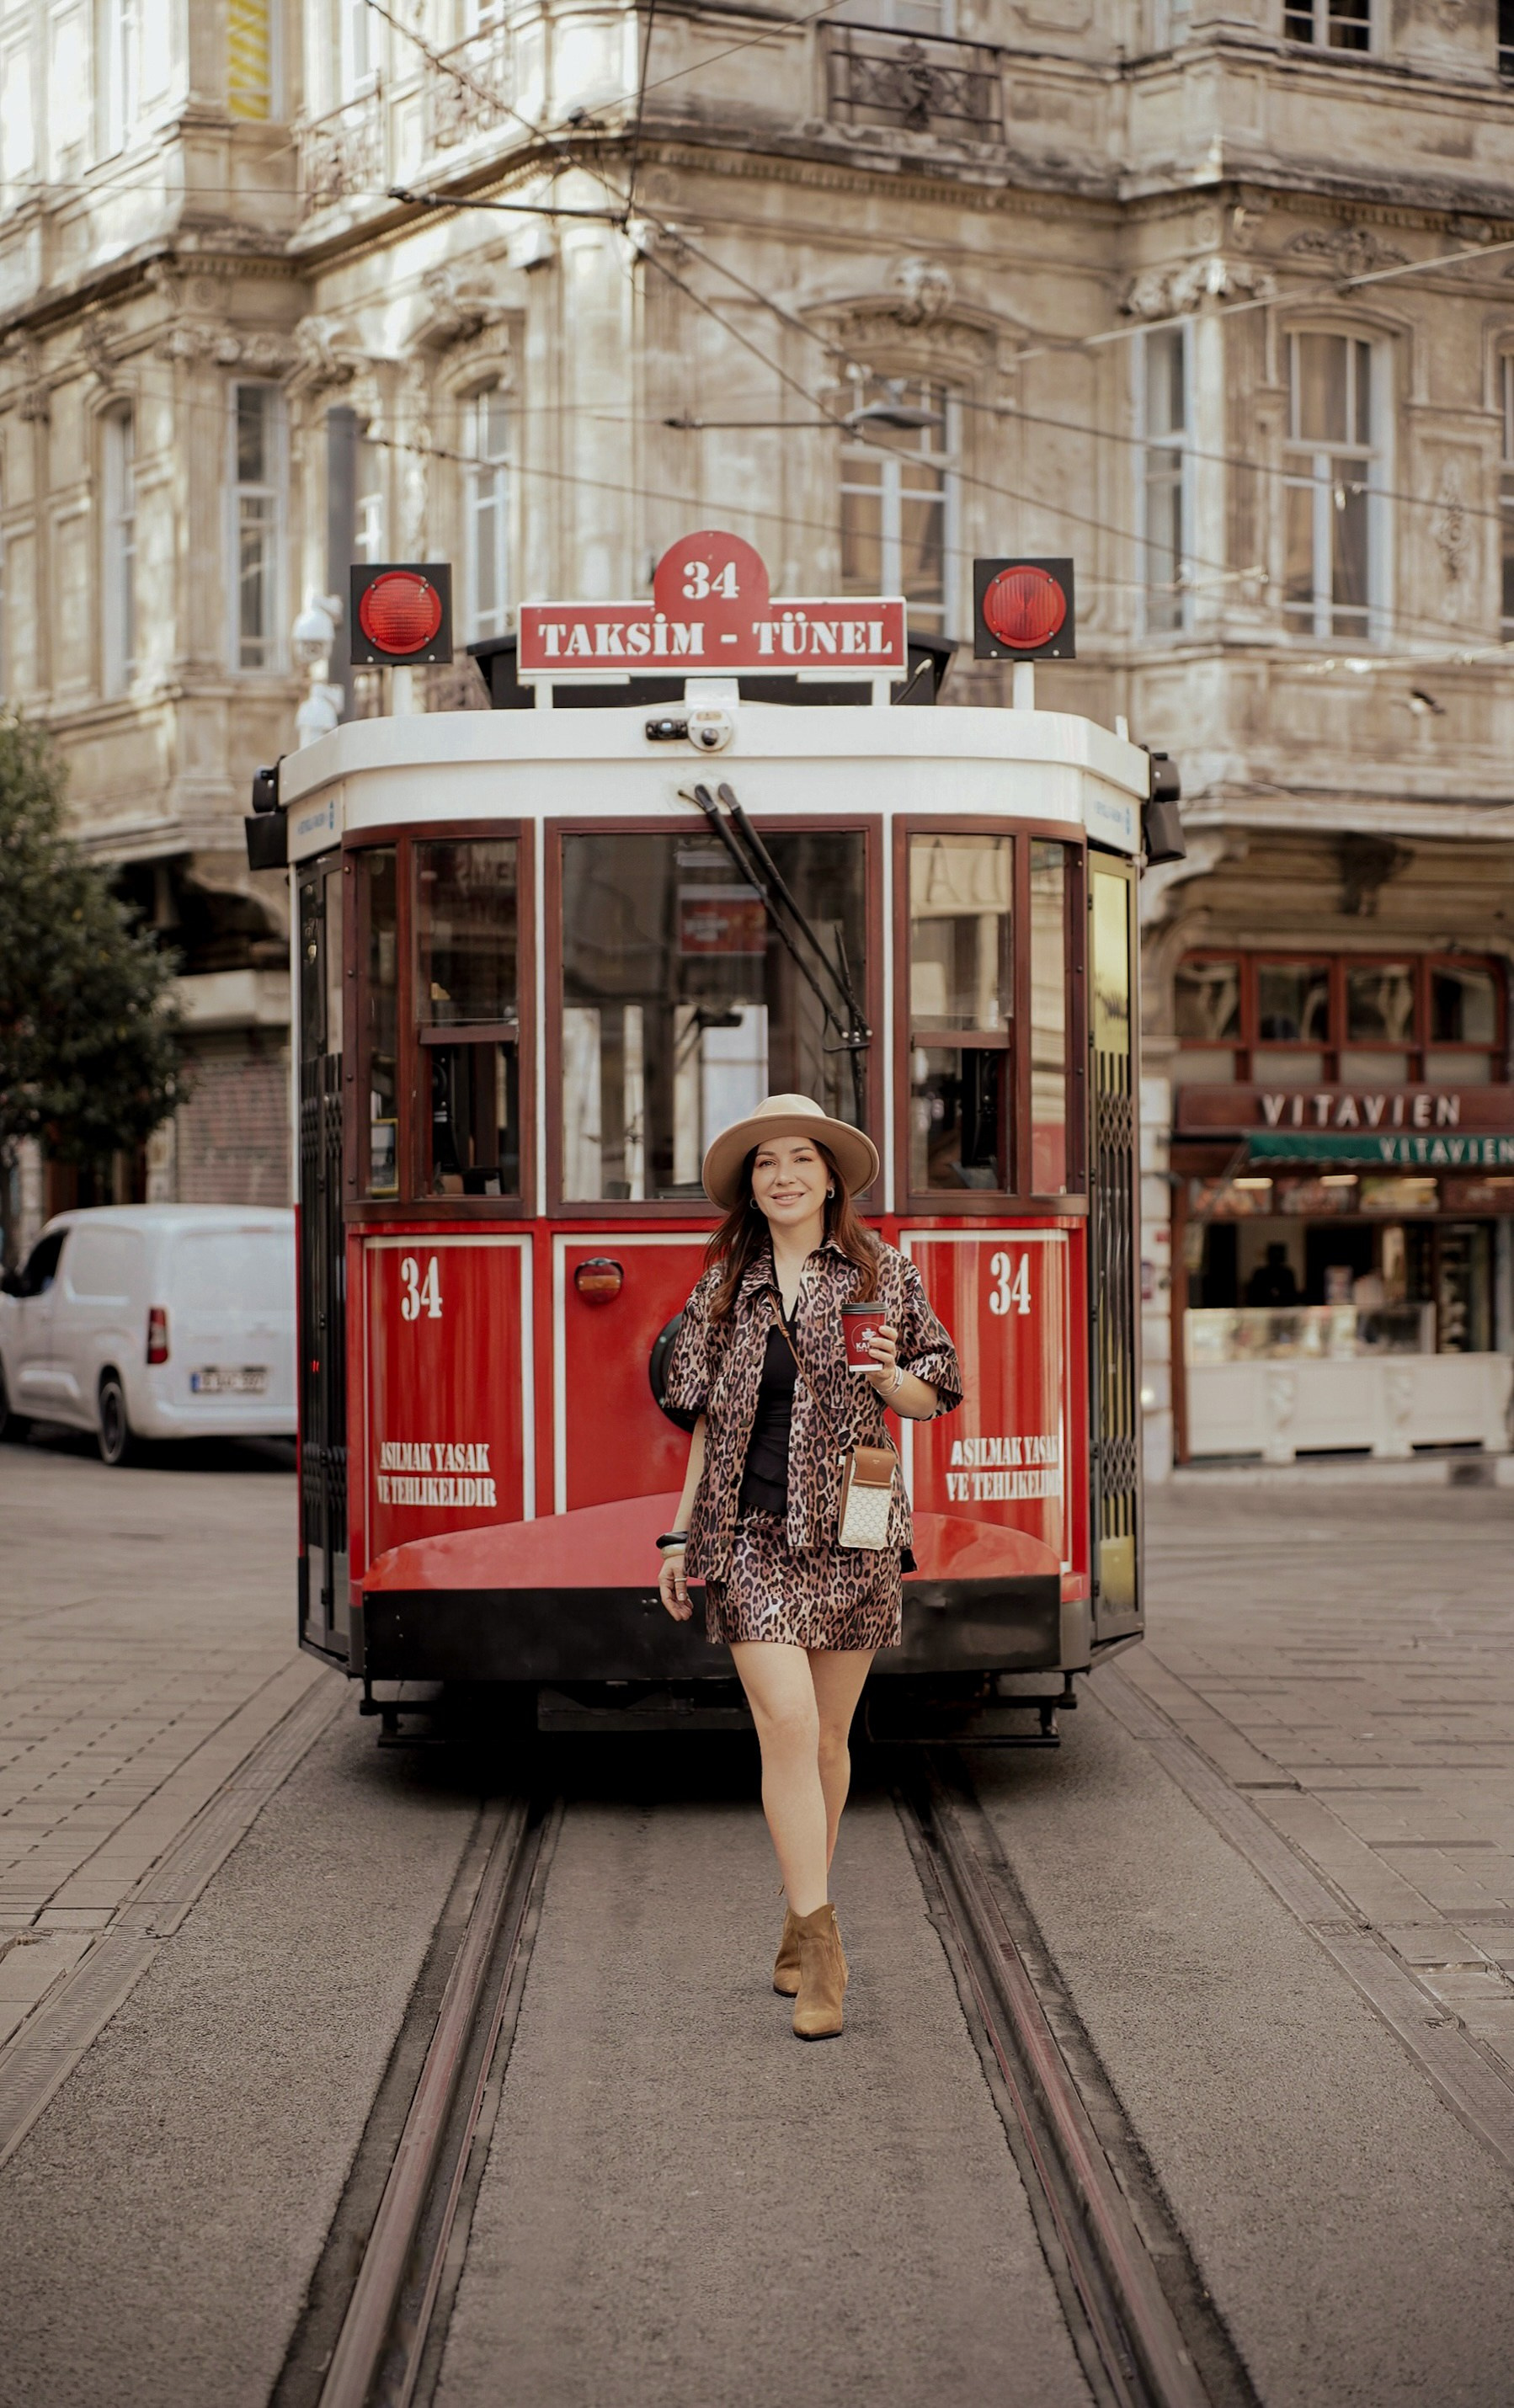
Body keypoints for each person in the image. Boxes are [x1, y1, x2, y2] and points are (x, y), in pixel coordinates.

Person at [657, 1093, 962, 2041]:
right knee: (784, 1722)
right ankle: (825, 1944)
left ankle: (795, 1914)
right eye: (764, 1163)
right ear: (750, 1186)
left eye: (799, 1158)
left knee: (829, 1741)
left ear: (831, 1175)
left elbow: (932, 1394)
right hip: (746, 1534)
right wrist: (678, 1535)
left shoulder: (886, 1274)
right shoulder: (723, 1287)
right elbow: (703, 1419)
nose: (782, 1175)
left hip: (855, 1527)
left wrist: (883, 1375)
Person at [1245, 1241, 1300, 1308]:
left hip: (1283, 1311)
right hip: (1265, 1310)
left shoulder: (1287, 1273)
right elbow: (1253, 1297)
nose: (1276, 1258)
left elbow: (1292, 1297)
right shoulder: (1260, 1273)